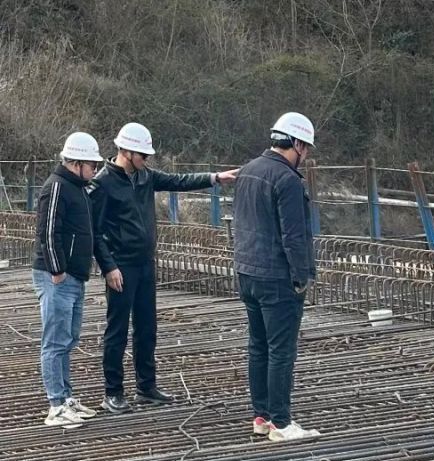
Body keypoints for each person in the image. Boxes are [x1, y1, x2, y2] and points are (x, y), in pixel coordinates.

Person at [91, 122, 238, 413]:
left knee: (147, 327)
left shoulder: (145, 176)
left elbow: (178, 180)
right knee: (117, 329)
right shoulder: (103, 183)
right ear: (127, 151)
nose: (147, 160)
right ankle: (113, 392)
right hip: (121, 267)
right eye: (143, 155)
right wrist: (109, 267)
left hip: (146, 262)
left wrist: (214, 178)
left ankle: (147, 386)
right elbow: (94, 233)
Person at [232, 112, 319, 442]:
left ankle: (262, 416)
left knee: (258, 346)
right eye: (306, 148)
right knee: (281, 350)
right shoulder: (287, 181)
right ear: (296, 144)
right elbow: (294, 236)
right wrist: (301, 277)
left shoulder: (248, 171)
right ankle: (281, 423)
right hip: (277, 277)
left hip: (247, 272)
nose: (306, 155)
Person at [32, 133, 104, 427]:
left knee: (68, 338)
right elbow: (48, 231)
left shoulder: (77, 188)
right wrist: (57, 269)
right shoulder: (58, 187)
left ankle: (66, 397)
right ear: (76, 163)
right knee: (55, 340)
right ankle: (56, 403)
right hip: (58, 277)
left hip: (73, 276)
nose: (95, 170)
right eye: (92, 165)